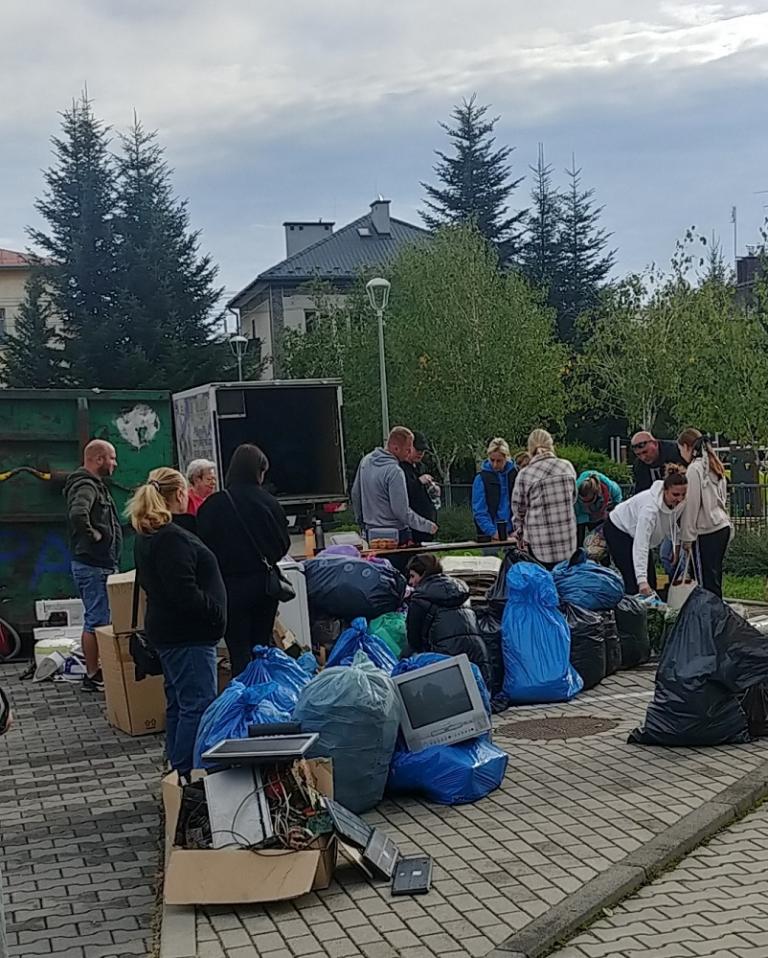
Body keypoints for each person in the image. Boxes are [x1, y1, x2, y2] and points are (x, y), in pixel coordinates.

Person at [128, 469, 225, 779]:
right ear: (180, 494)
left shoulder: (149, 535)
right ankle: (187, 773)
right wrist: (213, 611)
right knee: (197, 705)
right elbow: (183, 590)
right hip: (188, 635)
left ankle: (177, 768)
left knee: (179, 704)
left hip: (170, 631)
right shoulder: (171, 538)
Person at [197, 444, 291, 678]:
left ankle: (242, 699)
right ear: (257, 471)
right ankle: (265, 698)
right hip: (263, 586)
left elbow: (201, 548)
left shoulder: (213, 505)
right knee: (262, 646)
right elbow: (284, 544)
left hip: (227, 587)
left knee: (238, 650)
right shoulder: (269, 503)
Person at [64, 440, 122, 692]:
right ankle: (93, 674)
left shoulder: (92, 485)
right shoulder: (87, 486)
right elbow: (78, 514)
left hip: (97, 565)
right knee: (97, 621)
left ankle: (96, 672)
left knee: (98, 618)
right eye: (112, 458)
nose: (115, 463)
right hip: (94, 566)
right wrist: (95, 536)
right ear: (98, 459)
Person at [405, 554, 490, 688]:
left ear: (423, 575)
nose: (410, 582)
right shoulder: (461, 590)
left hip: (446, 662)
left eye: (413, 576)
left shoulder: (420, 599)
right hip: (478, 658)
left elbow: (413, 639)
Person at [603, 472, 688, 596]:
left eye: (683, 494)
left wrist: (676, 547)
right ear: (665, 490)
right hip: (618, 528)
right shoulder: (649, 510)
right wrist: (642, 580)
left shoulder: (678, 503)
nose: (679, 499)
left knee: (651, 582)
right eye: (675, 494)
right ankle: (630, 610)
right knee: (634, 582)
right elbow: (641, 544)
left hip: (635, 531)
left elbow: (671, 522)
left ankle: (651, 609)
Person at [351, 427, 438, 545]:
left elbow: (356, 494)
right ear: (395, 448)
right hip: (394, 535)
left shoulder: (366, 461)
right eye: (407, 449)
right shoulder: (395, 471)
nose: (408, 454)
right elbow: (401, 511)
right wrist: (427, 526)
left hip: (371, 533)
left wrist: (362, 523)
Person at [678, 429, 732, 598]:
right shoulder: (715, 465)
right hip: (721, 526)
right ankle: (717, 613)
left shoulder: (694, 469)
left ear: (687, 447)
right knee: (714, 577)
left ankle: (710, 617)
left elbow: (691, 504)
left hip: (706, 530)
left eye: (681, 450)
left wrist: (686, 537)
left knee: (704, 581)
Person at [512, 430, 577, 569]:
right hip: (568, 542)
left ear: (529, 449)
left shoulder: (525, 474)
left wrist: (519, 535)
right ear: (551, 445)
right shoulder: (567, 466)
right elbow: (573, 499)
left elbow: (518, 512)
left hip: (539, 546)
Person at [472, 438, 518, 540]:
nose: (495, 465)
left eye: (499, 461)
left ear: (507, 458)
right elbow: (479, 511)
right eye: (492, 460)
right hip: (490, 535)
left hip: (514, 533)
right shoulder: (481, 479)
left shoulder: (516, 475)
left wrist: (518, 530)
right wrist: (493, 532)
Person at [400, 432, 440, 544]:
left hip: (427, 525)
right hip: (412, 530)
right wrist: (419, 482)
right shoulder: (399, 470)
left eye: (423, 451)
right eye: (417, 449)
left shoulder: (421, 467)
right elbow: (403, 495)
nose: (421, 453)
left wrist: (434, 489)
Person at [575, 471, 623, 545]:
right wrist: (589, 517)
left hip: (602, 512)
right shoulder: (574, 497)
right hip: (582, 516)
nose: (586, 503)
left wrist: (611, 512)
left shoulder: (611, 487)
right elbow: (577, 516)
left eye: (589, 501)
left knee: (601, 540)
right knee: (578, 540)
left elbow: (618, 499)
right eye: (583, 501)